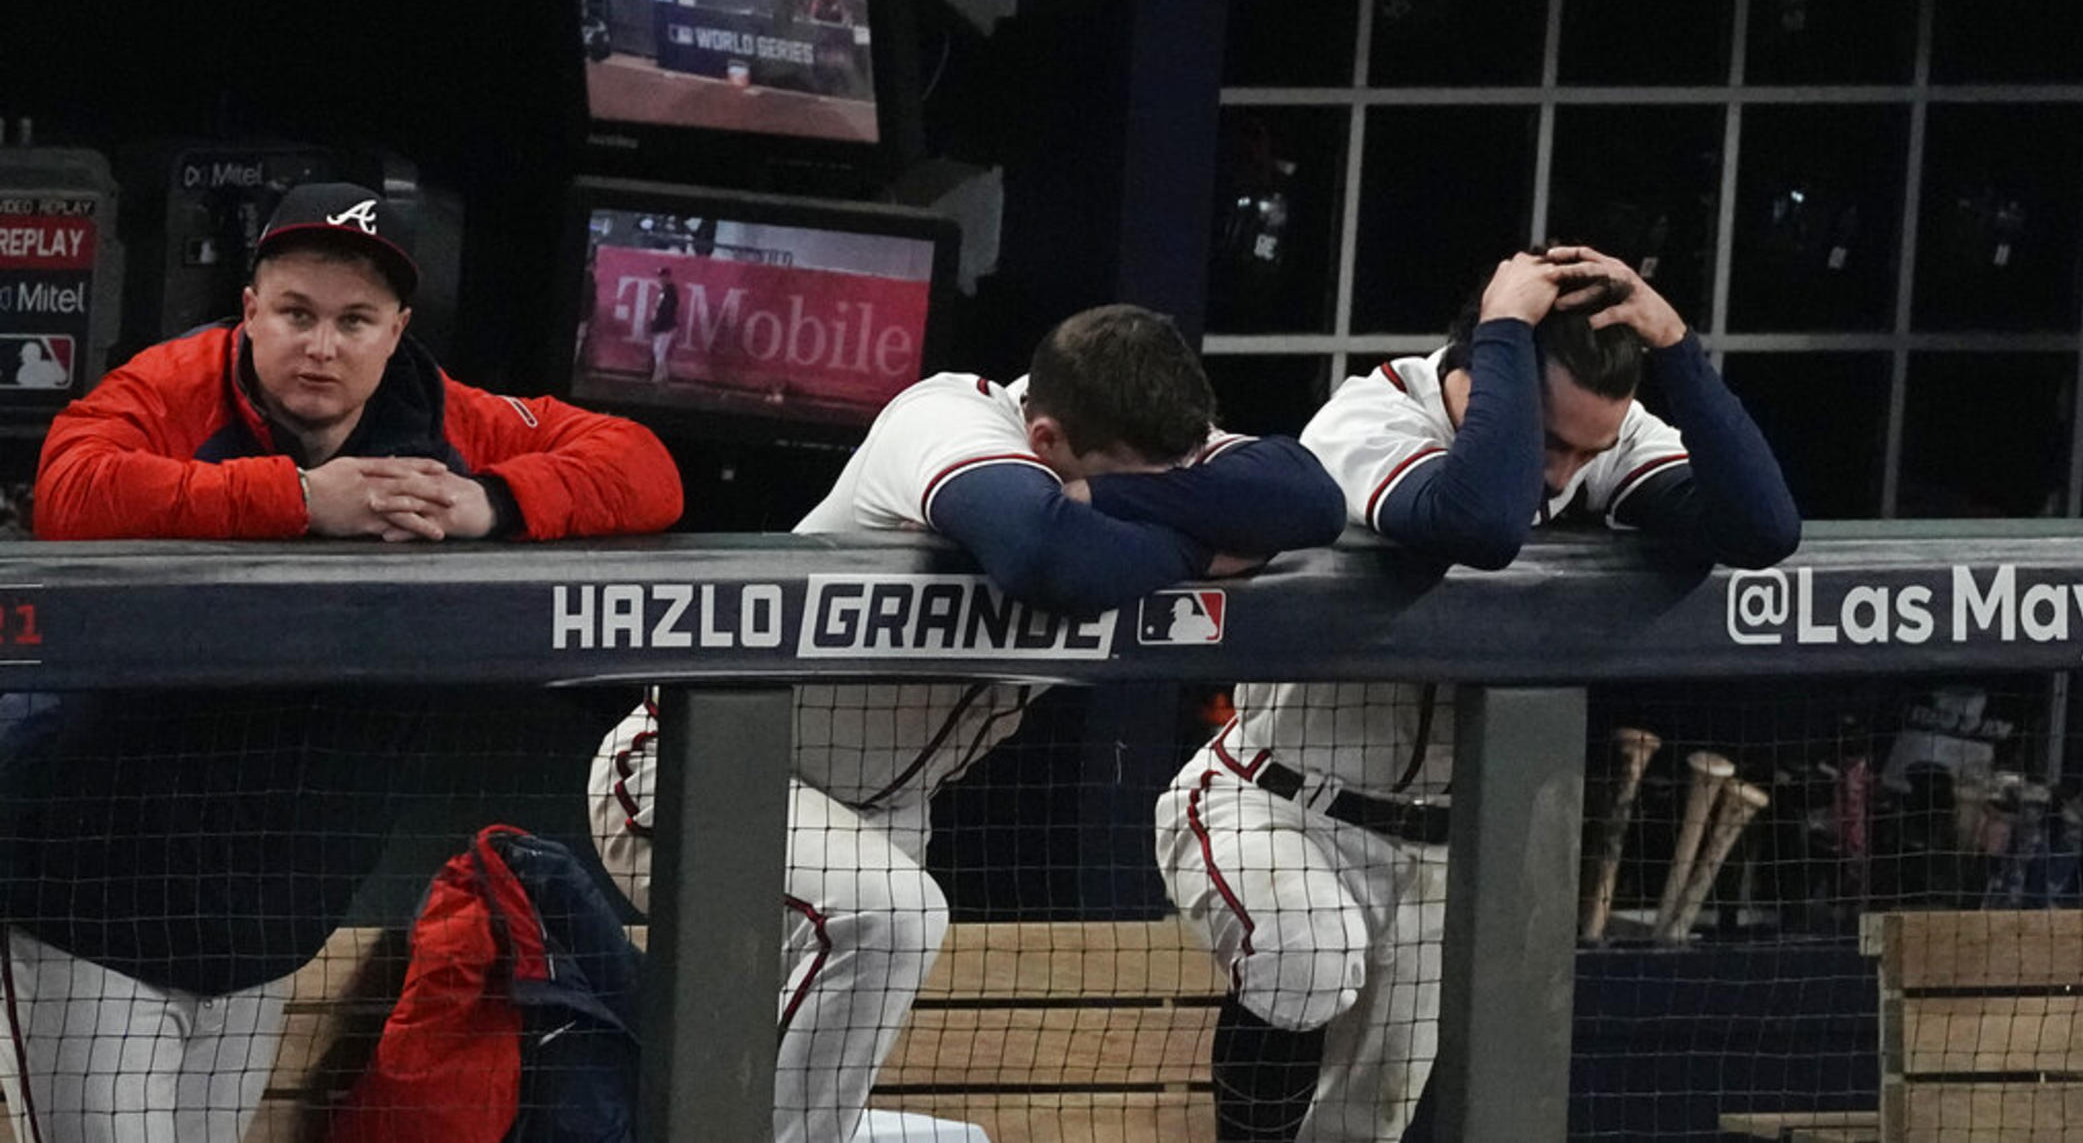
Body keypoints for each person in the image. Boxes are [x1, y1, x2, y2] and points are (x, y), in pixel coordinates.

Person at [7, 181, 684, 1143]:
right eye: (296, 314)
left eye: (355, 320)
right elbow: (70, 487)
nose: (322, 346)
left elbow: (642, 464)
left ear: (398, 329)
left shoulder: (445, 418)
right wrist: (298, 498)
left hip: (262, 933)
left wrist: (492, 502)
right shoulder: (177, 385)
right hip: (91, 907)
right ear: (249, 311)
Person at [589, 303, 1346, 1143]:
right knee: (896, 913)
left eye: (1183, 475)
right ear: (1046, 438)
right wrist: (1200, 547)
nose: (1175, 488)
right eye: (1138, 479)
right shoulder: (946, 417)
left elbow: (1309, 500)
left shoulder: (1144, 431)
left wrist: (1117, 497)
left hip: (877, 819)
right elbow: (1046, 551)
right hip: (699, 770)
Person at [1155, 244, 1800, 1142]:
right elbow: (1481, 523)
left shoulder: (1589, 439)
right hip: (1279, 803)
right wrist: (1503, 329)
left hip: (1438, 854)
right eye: (1549, 440)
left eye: (1589, 450)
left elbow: (1764, 527)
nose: (1564, 474)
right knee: (1308, 955)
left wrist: (1679, 350)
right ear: (1478, 372)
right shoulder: (1372, 414)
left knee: (1362, 1128)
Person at [648, 266, 677, 383]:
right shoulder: (664, 291)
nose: (659, 279)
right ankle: (663, 376)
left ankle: (658, 377)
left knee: (659, 351)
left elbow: (667, 311)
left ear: (667, 277)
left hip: (665, 327)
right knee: (659, 351)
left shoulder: (670, 292)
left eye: (662, 276)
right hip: (663, 326)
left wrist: (659, 324)